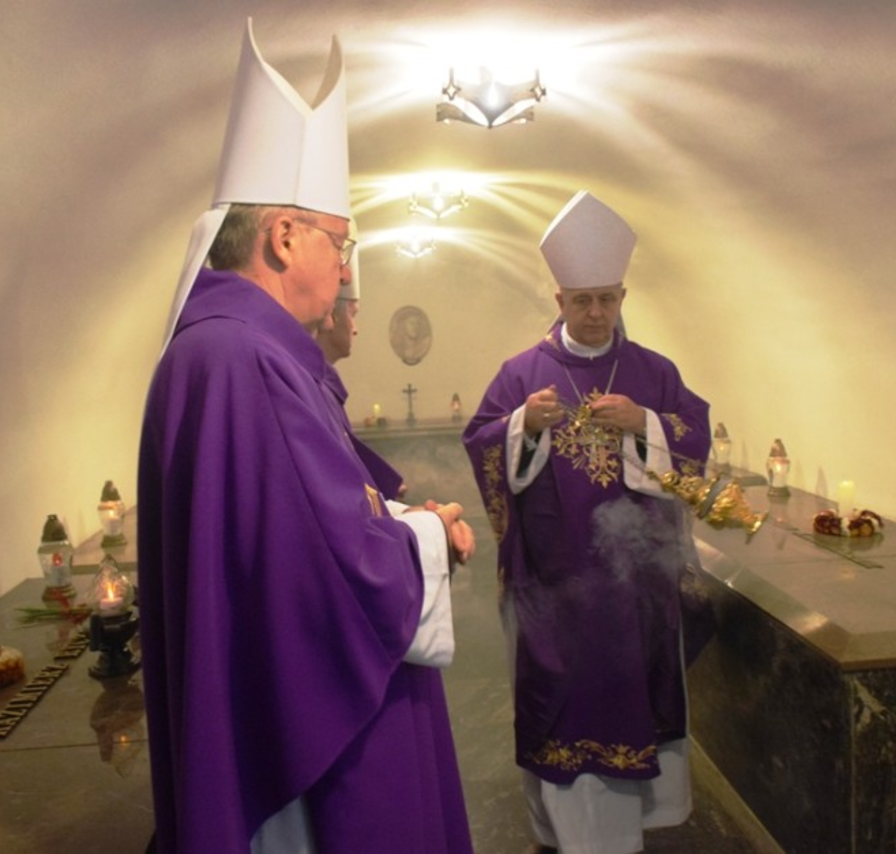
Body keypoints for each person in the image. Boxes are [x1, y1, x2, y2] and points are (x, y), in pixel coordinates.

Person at [138, 19, 474, 854]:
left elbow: (287, 529)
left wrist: (396, 522)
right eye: (340, 241)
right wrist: (432, 538)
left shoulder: (229, 347)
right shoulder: (245, 358)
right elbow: (323, 569)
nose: (346, 265)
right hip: (299, 746)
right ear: (285, 237)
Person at [462, 191, 712, 854]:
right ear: (560, 300)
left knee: (634, 698)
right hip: (556, 585)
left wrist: (645, 424)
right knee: (562, 705)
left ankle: (629, 832)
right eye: (583, 301)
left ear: (623, 296)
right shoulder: (522, 373)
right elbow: (480, 440)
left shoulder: (655, 372)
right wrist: (523, 426)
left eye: (607, 299)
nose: (596, 313)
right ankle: (562, 836)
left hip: (637, 585)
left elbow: (695, 438)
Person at [315, 259, 406, 499]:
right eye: (352, 315)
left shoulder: (325, 382)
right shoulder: (308, 383)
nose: (356, 329)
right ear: (331, 316)